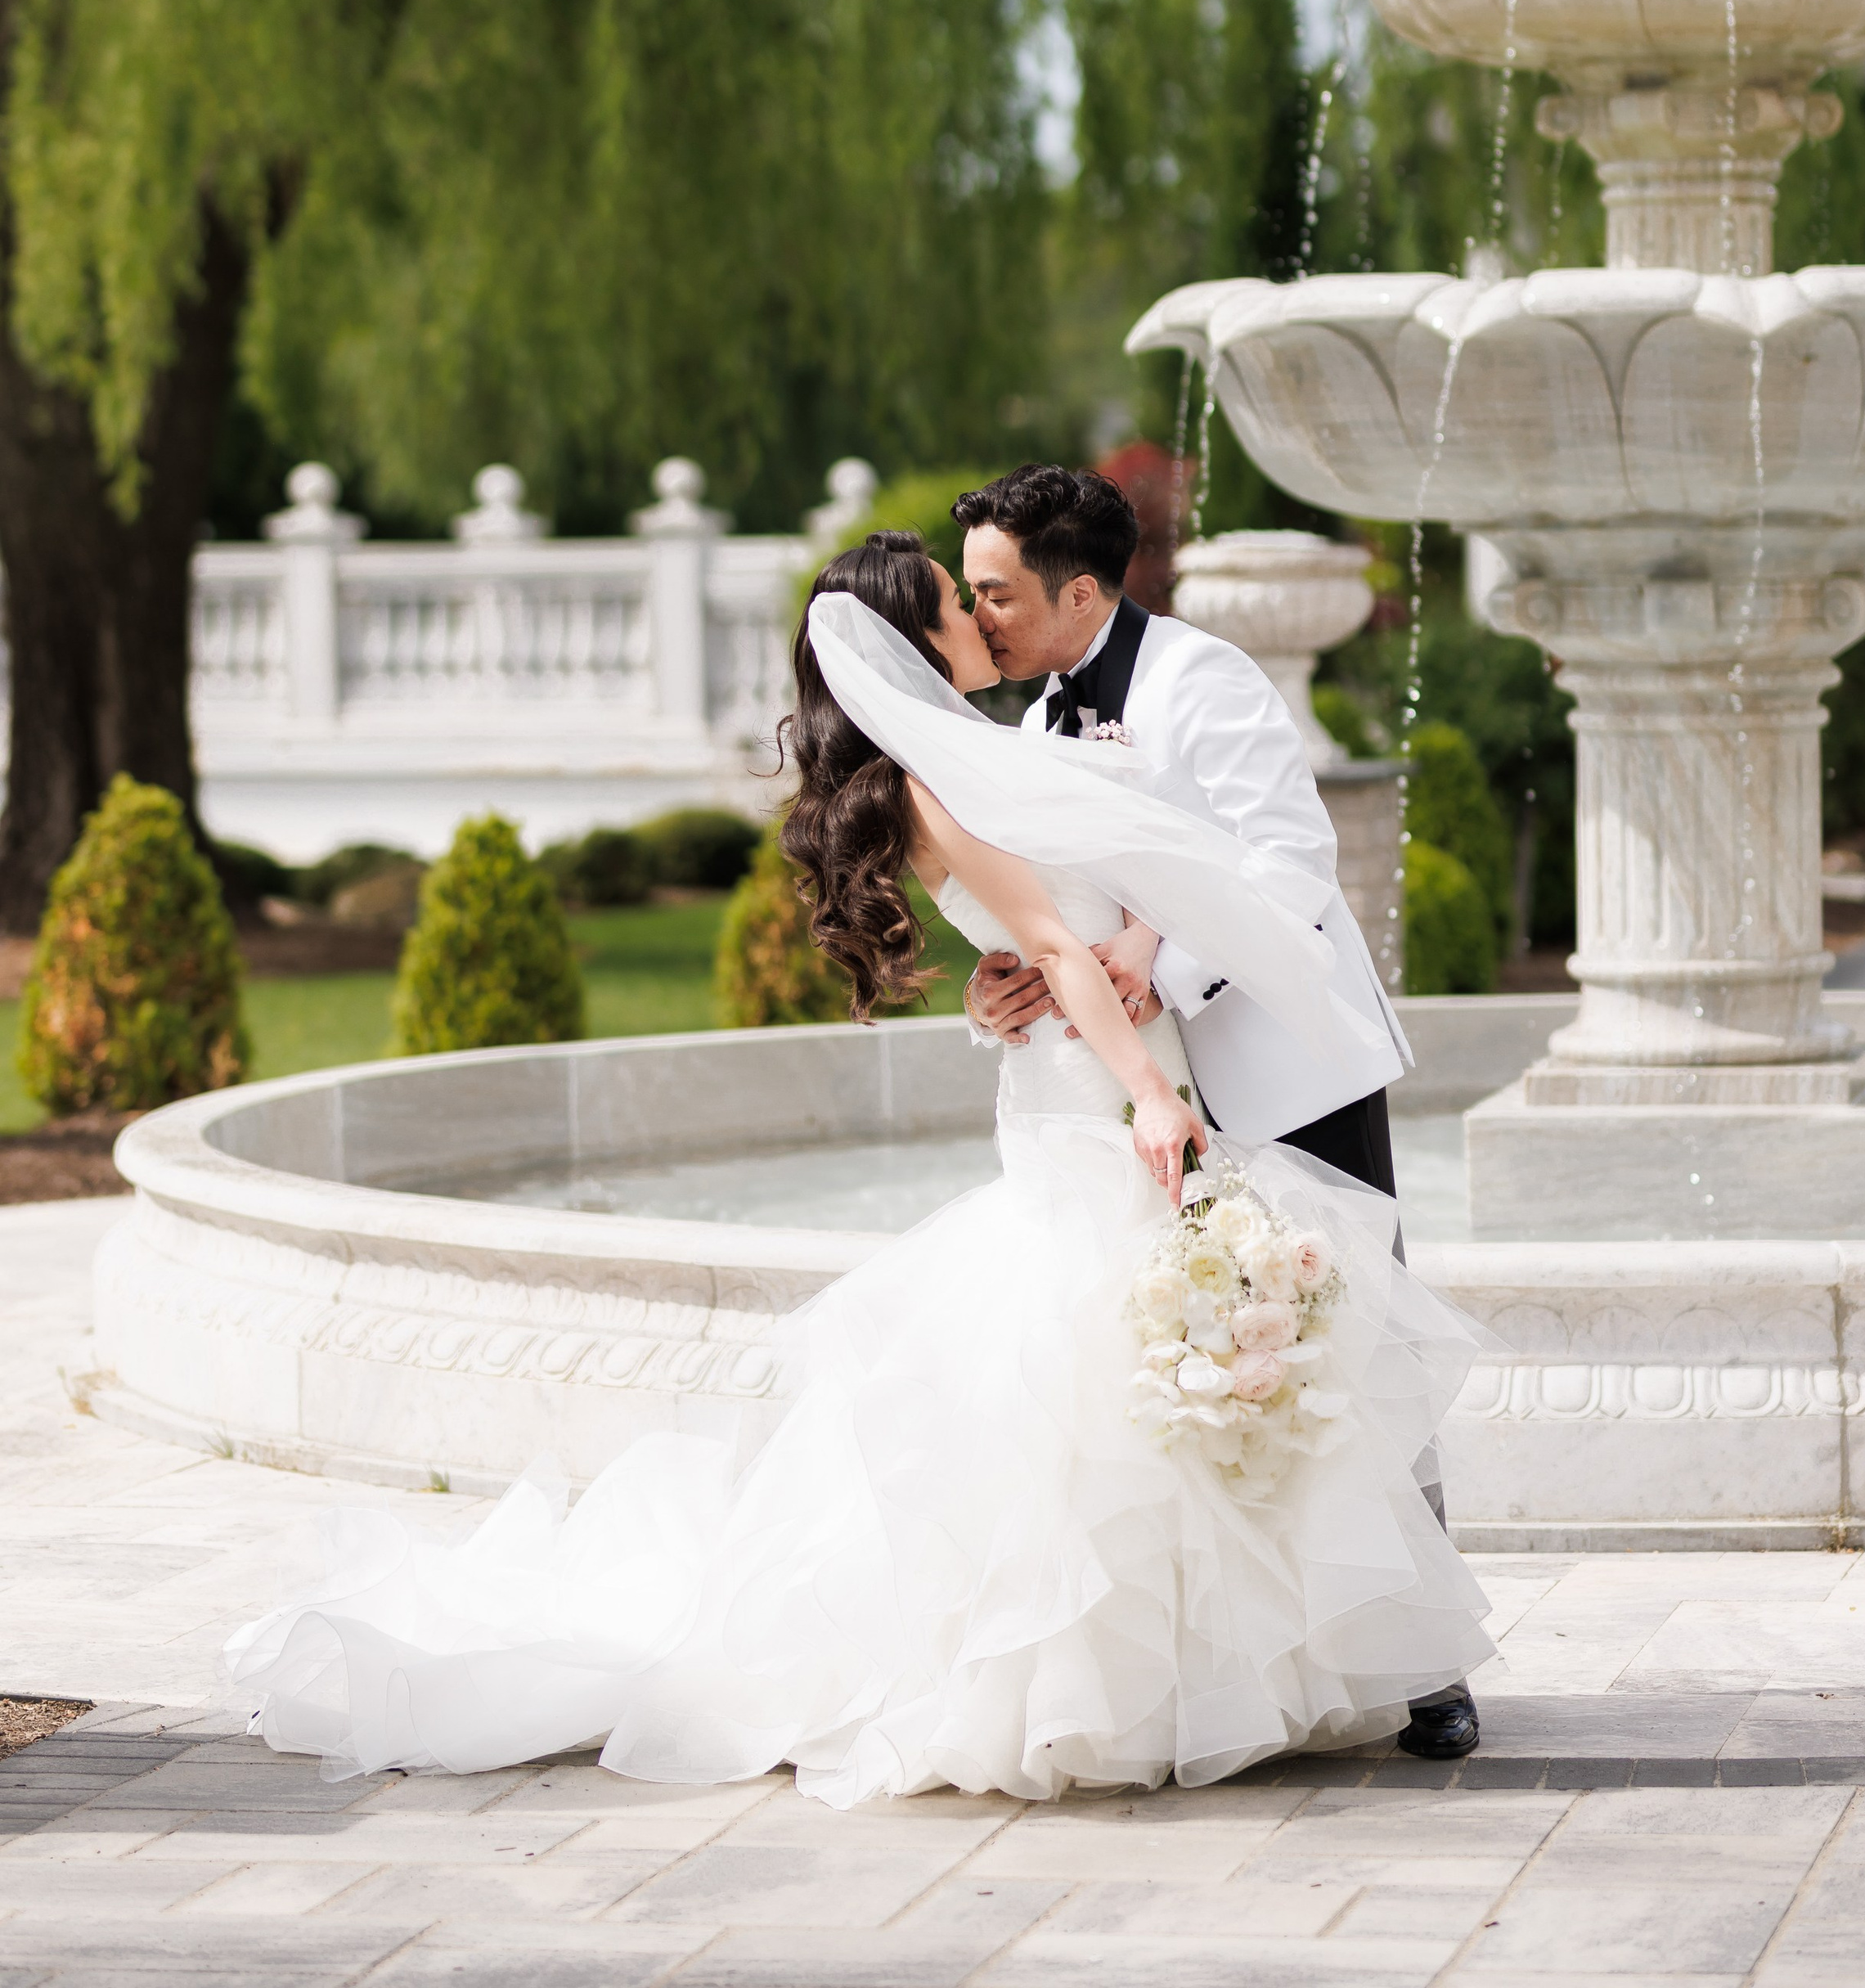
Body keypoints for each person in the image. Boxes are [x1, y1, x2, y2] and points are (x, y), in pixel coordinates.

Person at [227, 532, 1492, 1804]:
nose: (981, 618)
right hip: (1103, 1094)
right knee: (1112, 1382)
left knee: (1202, 1368)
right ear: (909, 641)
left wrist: (1084, 974)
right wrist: (1141, 1085)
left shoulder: (1022, 736)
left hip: (1167, 1072)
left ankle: (1286, 1667)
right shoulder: (949, 772)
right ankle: (1130, 1680)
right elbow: (1055, 942)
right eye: (957, 601)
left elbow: (1172, 878)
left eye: (988, 593)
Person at [955, 462, 1480, 1762]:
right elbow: (1052, 914)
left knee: (1359, 1348)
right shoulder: (1038, 720)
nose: (981, 618)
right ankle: (1267, 1670)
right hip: (1144, 1097)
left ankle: (1429, 1667)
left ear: (1081, 592)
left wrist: (1165, 964)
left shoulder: (1208, 680)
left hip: (1283, 1065)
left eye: (999, 593)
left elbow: (1293, 866)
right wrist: (997, 995)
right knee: (1214, 1364)